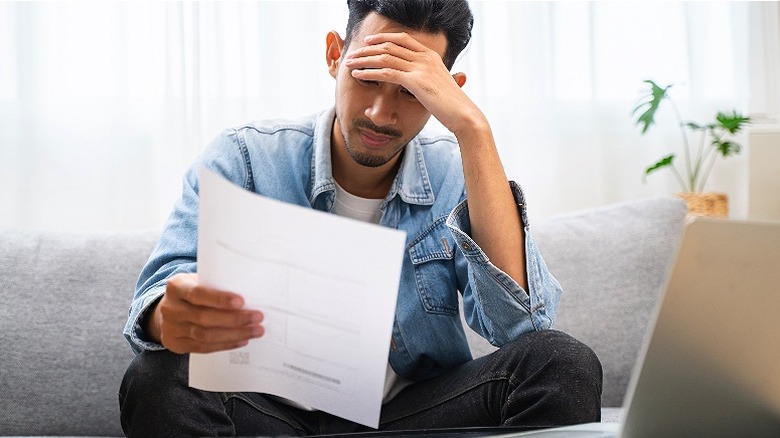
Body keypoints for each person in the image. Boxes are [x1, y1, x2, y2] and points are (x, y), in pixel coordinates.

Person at [119, 0, 602, 436]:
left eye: (412, 92)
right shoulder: (244, 157)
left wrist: (473, 130)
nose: (380, 114)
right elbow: (160, 294)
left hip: (408, 417)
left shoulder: (457, 172)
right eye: (367, 76)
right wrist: (171, 319)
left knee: (562, 362)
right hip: (265, 415)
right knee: (158, 378)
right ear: (334, 54)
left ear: (447, 92)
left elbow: (523, 328)